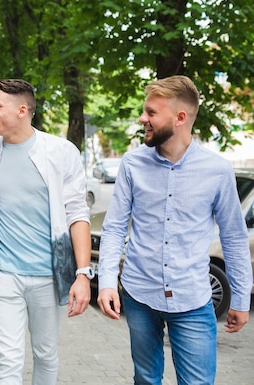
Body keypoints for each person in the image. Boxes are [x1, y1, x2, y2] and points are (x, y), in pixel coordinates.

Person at [97, 75, 252, 384]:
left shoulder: (217, 171)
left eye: (151, 113)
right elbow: (114, 228)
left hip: (192, 300)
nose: (143, 119)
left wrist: (240, 298)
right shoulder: (132, 164)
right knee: (145, 378)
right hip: (139, 295)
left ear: (180, 118)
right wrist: (106, 283)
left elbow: (234, 237)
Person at [0, 79, 92, 384]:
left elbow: (77, 214)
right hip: (3, 275)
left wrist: (82, 274)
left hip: (48, 277)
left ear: (22, 110)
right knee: (9, 361)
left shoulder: (61, 152)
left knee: (45, 354)